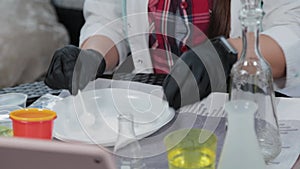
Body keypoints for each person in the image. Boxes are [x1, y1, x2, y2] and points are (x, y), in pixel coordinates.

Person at [45, 0, 300, 109]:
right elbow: (110, 19)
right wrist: (92, 56)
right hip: (148, 112)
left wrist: (228, 53)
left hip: (243, 112)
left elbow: (293, 28)